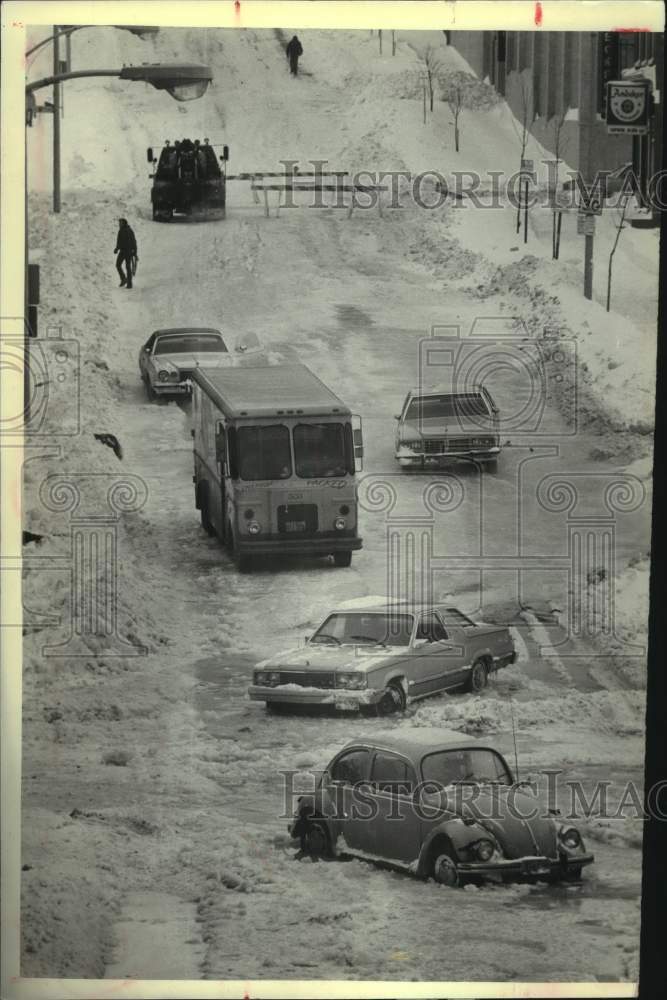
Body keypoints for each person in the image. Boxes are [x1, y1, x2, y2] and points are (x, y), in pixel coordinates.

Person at [114, 218, 137, 289]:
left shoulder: (129, 231)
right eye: (119, 223)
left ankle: (129, 284)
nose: (119, 224)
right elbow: (119, 241)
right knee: (118, 265)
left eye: (120, 223)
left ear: (124, 223)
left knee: (128, 267)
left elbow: (134, 241)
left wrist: (135, 252)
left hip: (128, 252)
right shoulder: (120, 231)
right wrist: (117, 248)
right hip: (122, 251)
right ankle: (124, 279)